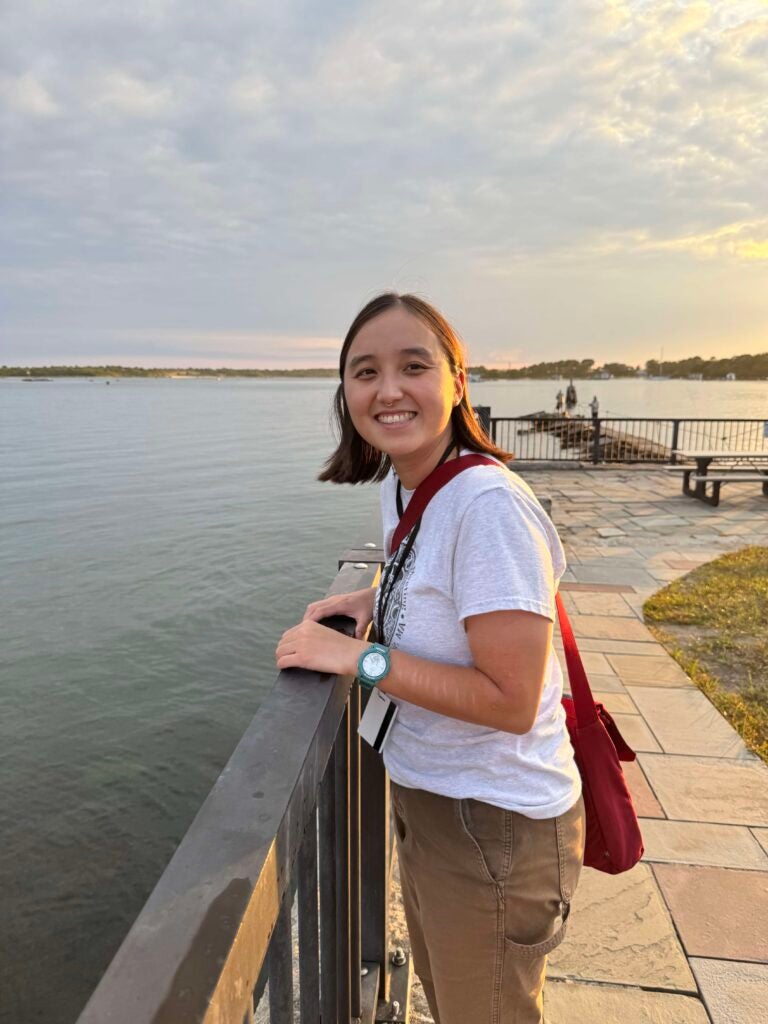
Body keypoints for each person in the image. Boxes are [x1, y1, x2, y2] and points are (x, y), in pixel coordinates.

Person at [276, 293, 584, 1024]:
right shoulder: (406, 482)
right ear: (344, 391)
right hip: (437, 801)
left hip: (495, 821)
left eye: (413, 366)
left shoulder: (487, 508)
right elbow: (437, 582)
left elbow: (510, 699)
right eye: (364, 371)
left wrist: (362, 659)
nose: (387, 390)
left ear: (457, 380)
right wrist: (377, 604)